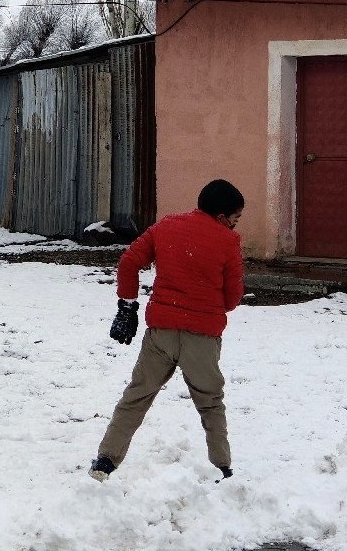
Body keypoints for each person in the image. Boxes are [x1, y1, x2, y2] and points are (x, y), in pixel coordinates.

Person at [89, 178, 245, 483]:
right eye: (235, 220)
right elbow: (232, 298)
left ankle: (106, 461)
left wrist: (128, 305)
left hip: (161, 332)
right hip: (202, 337)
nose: (235, 227)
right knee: (210, 402)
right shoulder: (227, 242)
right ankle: (222, 467)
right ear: (222, 217)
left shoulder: (166, 226)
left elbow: (129, 262)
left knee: (136, 396)